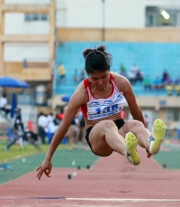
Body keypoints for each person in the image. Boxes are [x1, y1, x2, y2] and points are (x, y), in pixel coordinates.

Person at [36, 45, 166, 179]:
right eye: (94, 78)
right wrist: (48, 158)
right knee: (108, 125)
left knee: (136, 125)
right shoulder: (81, 93)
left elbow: (135, 110)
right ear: (88, 76)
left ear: (109, 70)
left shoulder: (121, 82)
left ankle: (151, 143)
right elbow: (64, 125)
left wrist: (143, 142)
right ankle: (128, 152)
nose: (101, 82)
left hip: (119, 129)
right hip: (97, 137)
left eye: (104, 76)